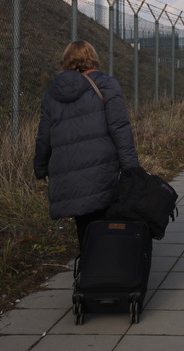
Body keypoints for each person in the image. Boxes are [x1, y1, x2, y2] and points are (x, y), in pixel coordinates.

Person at [33, 40, 141, 252]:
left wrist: (41, 167)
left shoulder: (52, 94)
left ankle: (89, 271)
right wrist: (132, 169)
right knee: (105, 218)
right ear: (93, 58)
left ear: (66, 61)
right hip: (102, 168)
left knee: (83, 222)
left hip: (68, 170)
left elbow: (43, 136)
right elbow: (120, 129)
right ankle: (109, 269)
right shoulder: (107, 85)